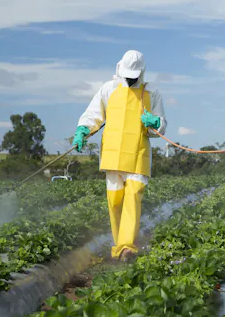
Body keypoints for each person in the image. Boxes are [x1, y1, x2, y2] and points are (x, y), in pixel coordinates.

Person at [72, 50, 167, 262]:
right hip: (112, 155)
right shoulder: (109, 89)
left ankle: (127, 248)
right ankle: (118, 248)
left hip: (137, 154)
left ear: (141, 72)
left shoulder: (152, 93)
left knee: (133, 197)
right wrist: (82, 131)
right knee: (115, 201)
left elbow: (161, 126)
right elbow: (93, 114)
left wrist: (156, 122)